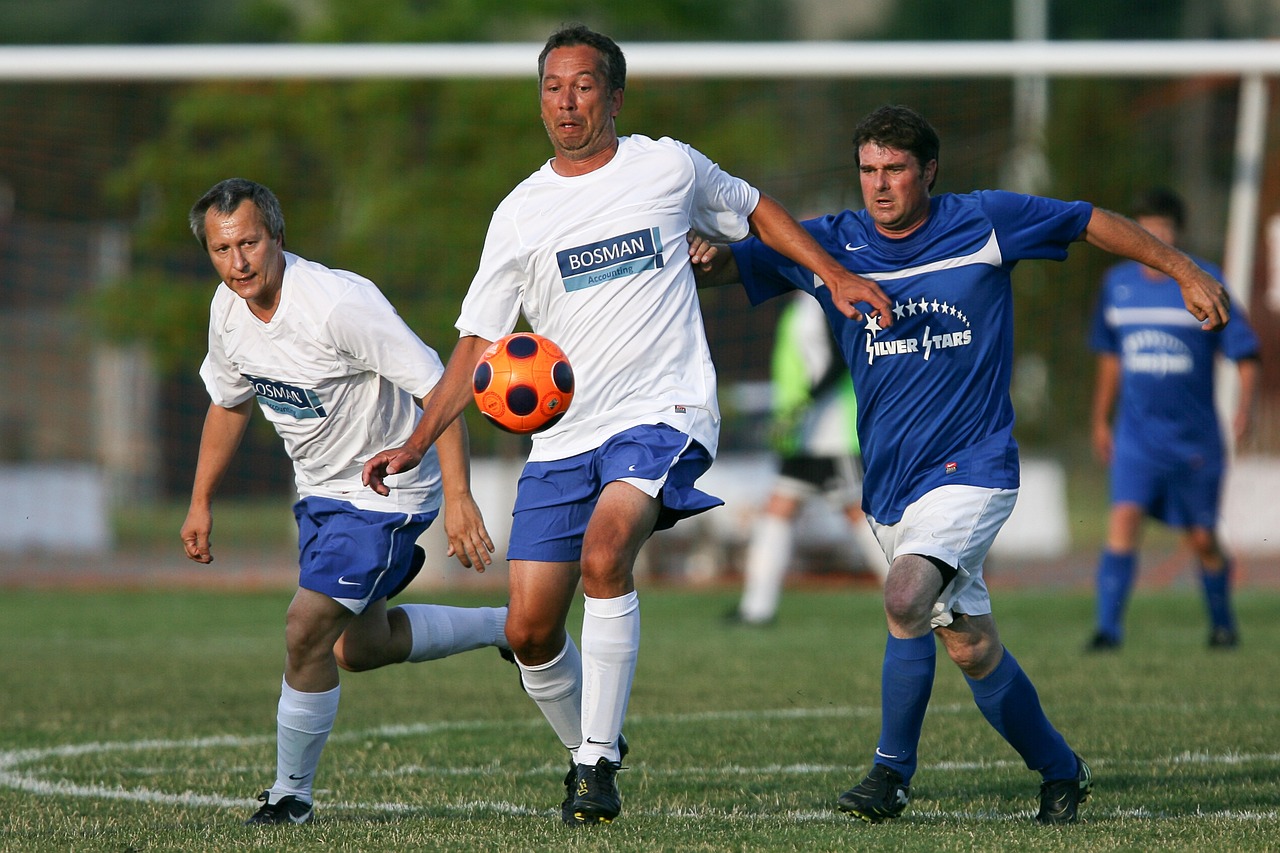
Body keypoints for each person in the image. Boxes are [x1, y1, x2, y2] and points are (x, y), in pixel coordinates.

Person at [362, 25, 891, 827]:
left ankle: (596, 765)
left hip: (663, 409)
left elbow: (755, 210)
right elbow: (475, 344)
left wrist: (834, 273)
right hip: (565, 435)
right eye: (551, 87)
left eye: (582, 86)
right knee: (531, 628)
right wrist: (414, 437)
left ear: (615, 96)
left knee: (608, 553)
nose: (565, 102)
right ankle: (592, 741)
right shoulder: (519, 213)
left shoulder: (666, 165)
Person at [692, 104, 1231, 825]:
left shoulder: (985, 222)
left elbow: (1086, 218)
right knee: (971, 647)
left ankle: (890, 777)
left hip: (974, 467)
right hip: (892, 485)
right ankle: (1061, 769)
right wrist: (707, 257)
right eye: (868, 171)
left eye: (895, 170)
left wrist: (1182, 269)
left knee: (904, 595)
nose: (880, 186)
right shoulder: (832, 243)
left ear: (929, 171)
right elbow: (736, 266)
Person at [181, 178, 511, 826]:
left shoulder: (337, 303)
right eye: (221, 249)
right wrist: (199, 500)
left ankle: (290, 795)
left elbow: (438, 386)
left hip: (388, 486)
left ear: (276, 235)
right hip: (320, 495)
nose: (238, 262)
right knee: (358, 648)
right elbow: (228, 402)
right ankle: (505, 625)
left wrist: (460, 495)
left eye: (248, 242)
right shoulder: (227, 311)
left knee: (304, 626)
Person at [1086, 188, 1259, 652]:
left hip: (1194, 440)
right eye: (1145, 227)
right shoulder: (1118, 287)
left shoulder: (1203, 282)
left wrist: (1245, 406)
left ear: (1176, 235)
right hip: (1137, 437)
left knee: (1202, 537)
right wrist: (1100, 419)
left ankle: (1223, 625)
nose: (1154, 236)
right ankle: (1108, 631)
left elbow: (1244, 352)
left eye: (1163, 228)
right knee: (1123, 520)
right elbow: (1109, 358)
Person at [728, 291, 887, 627]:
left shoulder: (825, 302)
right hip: (803, 436)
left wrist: (804, 404)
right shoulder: (799, 304)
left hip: (832, 434)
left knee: (860, 515)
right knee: (777, 510)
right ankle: (756, 610)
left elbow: (840, 359)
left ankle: (915, 597)